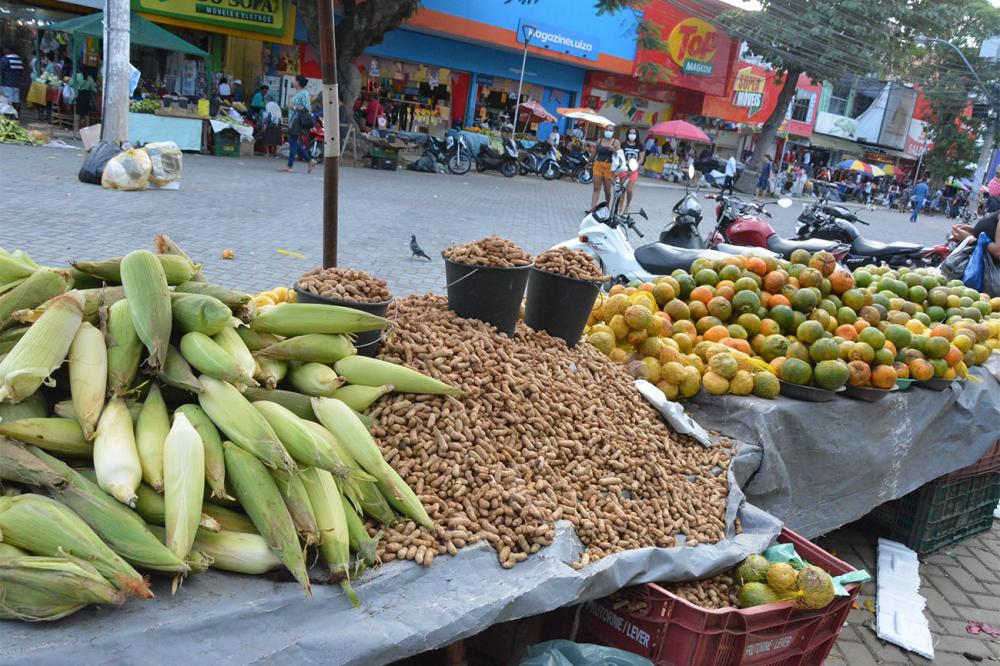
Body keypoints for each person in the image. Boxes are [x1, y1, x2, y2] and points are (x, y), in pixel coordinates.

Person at [279, 75, 316, 174]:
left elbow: (307, 108)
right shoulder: (298, 93)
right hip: (293, 120)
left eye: (294, 80)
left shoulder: (304, 94)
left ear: (298, 82)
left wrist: (293, 107)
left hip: (297, 121)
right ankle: (310, 161)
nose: (293, 82)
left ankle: (289, 166)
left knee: (293, 142)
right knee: (294, 142)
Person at [588, 126, 620, 212]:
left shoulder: (616, 142)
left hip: (609, 167)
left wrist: (614, 150)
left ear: (613, 132)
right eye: (607, 130)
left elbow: (619, 157)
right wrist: (588, 163)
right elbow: (594, 153)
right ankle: (592, 207)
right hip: (598, 165)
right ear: (604, 131)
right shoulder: (599, 141)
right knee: (596, 188)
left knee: (607, 189)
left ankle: (607, 207)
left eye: (611, 130)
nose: (608, 132)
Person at [619, 128, 645, 214]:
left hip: (634, 170)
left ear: (637, 135)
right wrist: (625, 163)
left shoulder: (640, 145)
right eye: (630, 133)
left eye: (634, 133)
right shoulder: (623, 144)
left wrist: (634, 165)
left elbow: (641, 159)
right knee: (622, 189)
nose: (632, 134)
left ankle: (628, 205)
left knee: (629, 190)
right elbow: (620, 156)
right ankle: (620, 209)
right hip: (624, 169)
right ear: (627, 134)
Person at [0, 47, 24, 112]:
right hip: (16, 84)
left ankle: (9, 116)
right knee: (16, 101)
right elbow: (22, 71)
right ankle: (17, 115)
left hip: (7, 84)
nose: (4, 51)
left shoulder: (5, 59)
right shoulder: (19, 59)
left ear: (8, 50)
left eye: (5, 50)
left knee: (7, 101)